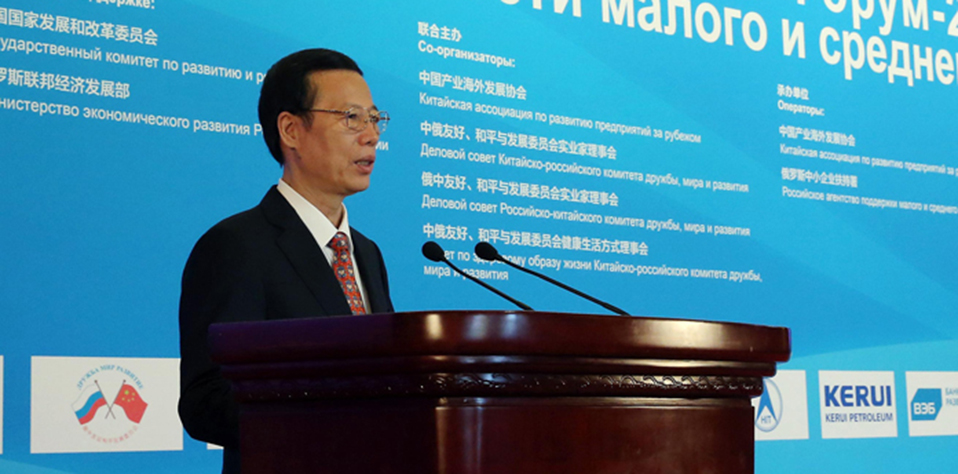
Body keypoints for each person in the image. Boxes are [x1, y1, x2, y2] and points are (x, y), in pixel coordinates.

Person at [177, 48, 394, 474]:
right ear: (291, 130)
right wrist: (337, 413)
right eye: (351, 118)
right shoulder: (237, 245)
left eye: (374, 118)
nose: (371, 135)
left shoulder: (366, 252)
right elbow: (206, 401)